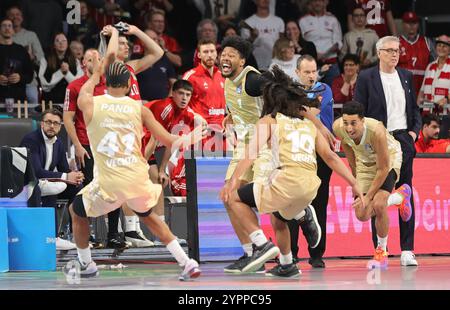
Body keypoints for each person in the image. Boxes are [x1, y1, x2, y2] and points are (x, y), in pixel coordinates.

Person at [63, 58, 205, 280]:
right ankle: (186, 262)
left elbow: (86, 87)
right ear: (130, 85)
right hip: (136, 178)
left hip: (109, 182)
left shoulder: (90, 103)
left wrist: (96, 72)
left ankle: (86, 263)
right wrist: (196, 134)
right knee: (149, 216)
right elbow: (170, 141)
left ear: (105, 82)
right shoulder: (140, 109)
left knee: (76, 211)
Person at [220, 66, 364, 277]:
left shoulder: (268, 121)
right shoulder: (308, 125)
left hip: (286, 182)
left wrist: (232, 181)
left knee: (233, 199)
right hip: (310, 187)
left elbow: (249, 154)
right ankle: (288, 263)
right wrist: (354, 182)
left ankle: (261, 244)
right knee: (278, 217)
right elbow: (332, 158)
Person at [219, 36, 324, 273]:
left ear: (242, 60)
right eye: (223, 53)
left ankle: (301, 213)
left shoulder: (254, 80)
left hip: (265, 142)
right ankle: (252, 253)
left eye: (231, 55)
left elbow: (285, 93)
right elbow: (240, 105)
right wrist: (231, 116)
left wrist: (319, 124)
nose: (225, 57)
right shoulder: (227, 80)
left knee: (270, 205)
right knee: (229, 197)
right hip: (244, 145)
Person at [354, 36, 422, 266]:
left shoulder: (406, 77)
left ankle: (407, 249)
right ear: (379, 52)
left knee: (407, 190)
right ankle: (380, 248)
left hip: (403, 138)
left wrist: (413, 134)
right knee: (376, 196)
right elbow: (358, 112)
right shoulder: (366, 77)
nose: (395, 54)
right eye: (390, 50)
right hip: (379, 141)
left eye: (398, 51)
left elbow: (414, 109)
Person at [101, 23, 164, 246]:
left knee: (147, 177)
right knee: (128, 179)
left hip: (138, 129)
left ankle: (144, 230)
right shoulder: (107, 69)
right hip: (121, 129)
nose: (126, 47)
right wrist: (114, 35)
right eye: (121, 44)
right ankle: (129, 230)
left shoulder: (129, 69)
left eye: (128, 44)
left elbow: (158, 53)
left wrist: (136, 31)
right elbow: (109, 55)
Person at [333, 101, 413, 267]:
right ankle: (399, 197)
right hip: (364, 164)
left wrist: (368, 196)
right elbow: (350, 154)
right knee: (362, 214)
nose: (349, 128)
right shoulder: (338, 127)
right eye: (346, 122)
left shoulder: (376, 131)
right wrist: (356, 182)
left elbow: (383, 169)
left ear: (362, 120)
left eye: (353, 123)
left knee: (378, 204)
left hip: (388, 160)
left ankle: (381, 253)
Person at [288, 54, 335, 268]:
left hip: (321, 155)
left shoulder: (324, 89)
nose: (311, 75)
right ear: (297, 72)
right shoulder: (289, 90)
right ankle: (292, 253)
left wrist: (300, 109)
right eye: (306, 72)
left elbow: (308, 112)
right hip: (296, 153)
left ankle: (317, 254)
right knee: (292, 204)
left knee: (319, 204)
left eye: (314, 71)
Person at [20, 108, 84, 251]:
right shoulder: (31, 140)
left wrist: (75, 176)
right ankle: (50, 237)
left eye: (56, 123)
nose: (52, 126)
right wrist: (66, 176)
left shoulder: (59, 143)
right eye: (48, 122)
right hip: (28, 184)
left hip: (45, 182)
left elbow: (64, 169)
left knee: (78, 188)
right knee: (48, 188)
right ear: (42, 124)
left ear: (60, 126)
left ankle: (77, 233)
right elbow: (35, 171)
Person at [183, 38, 226, 151]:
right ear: (199, 55)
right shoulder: (191, 76)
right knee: (201, 169)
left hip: (222, 134)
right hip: (200, 134)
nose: (210, 55)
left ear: (217, 53)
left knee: (224, 168)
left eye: (212, 51)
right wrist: (196, 116)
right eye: (205, 52)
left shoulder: (223, 76)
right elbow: (178, 103)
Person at [7, 6, 44, 104]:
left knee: (33, 106)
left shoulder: (31, 35)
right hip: (7, 81)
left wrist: (31, 57)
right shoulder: (3, 36)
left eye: (18, 14)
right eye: (12, 15)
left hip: (28, 80)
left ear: (22, 18)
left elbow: (41, 59)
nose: (15, 17)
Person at [39, 32, 83, 106]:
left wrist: (67, 73)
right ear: (54, 45)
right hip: (50, 101)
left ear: (67, 43)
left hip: (70, 101)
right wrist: (61, 72)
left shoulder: (75, 61)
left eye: (63, 40)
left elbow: (78, 84)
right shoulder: (45, 60)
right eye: (57, 41)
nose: (61, 43)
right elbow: (45, 85)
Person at [132, 29, 177, 101]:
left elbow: (174, 82)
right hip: (141, 103)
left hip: (161, 104)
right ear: (143, 42)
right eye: (150, 39)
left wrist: (168, 100)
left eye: (156, 39)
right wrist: (136, 100)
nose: (154, 41)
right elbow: (129, 82)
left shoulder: (165, 59)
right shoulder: (135, 59)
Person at [398, 12, 435, 97]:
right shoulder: (395, 43)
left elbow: (435, 65)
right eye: (408, 23)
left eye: (414, 23)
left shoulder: (427, 42)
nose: (411, 26)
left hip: (423, 88)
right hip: (401, 89)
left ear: (418, 24)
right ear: (403, 24)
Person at [240, 0, 284, 71]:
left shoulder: (279, 21)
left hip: (276, 66)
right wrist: (252, 38)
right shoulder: (248, 22)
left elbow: (282, 45)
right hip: (254, 67)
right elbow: (243, 49)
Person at [0, 18, 33, 104]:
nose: (7, 28)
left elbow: (30, 75)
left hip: (18, 99)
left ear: (13, 31)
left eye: (9, 26)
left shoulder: (21, 50)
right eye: (4, 26)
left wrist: (20, 77)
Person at [299, 0, 342, 66]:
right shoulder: (303, 20)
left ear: (324, 3)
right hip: (310, 63)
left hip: (331, 61)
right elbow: (301, 41)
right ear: (310, 3)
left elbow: (338, 42)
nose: (317, 3)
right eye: (314, 1)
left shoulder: (333, 19)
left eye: (320, 1)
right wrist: (314, 54)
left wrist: (324, 55)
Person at [417, 35, 450, 115]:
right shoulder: (430, 66)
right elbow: (422, 90)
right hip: (428, 114)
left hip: (446, 114)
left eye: (444, 46)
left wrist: (446, 99)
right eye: (439, 45)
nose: (441, 48)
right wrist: (418, 104)